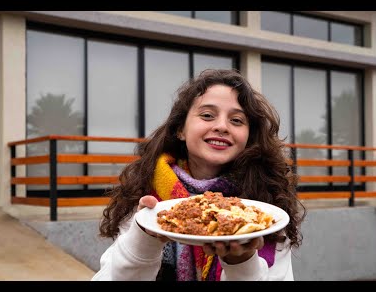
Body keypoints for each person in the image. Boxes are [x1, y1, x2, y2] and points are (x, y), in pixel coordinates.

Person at [91, 68, 306, 281]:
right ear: (180, 129)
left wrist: (241, 263)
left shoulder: (265, 209)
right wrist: (144, 240)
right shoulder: (148, 198)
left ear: (249, 138)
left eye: (237, 120)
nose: (222, 126)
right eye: (207, 115)